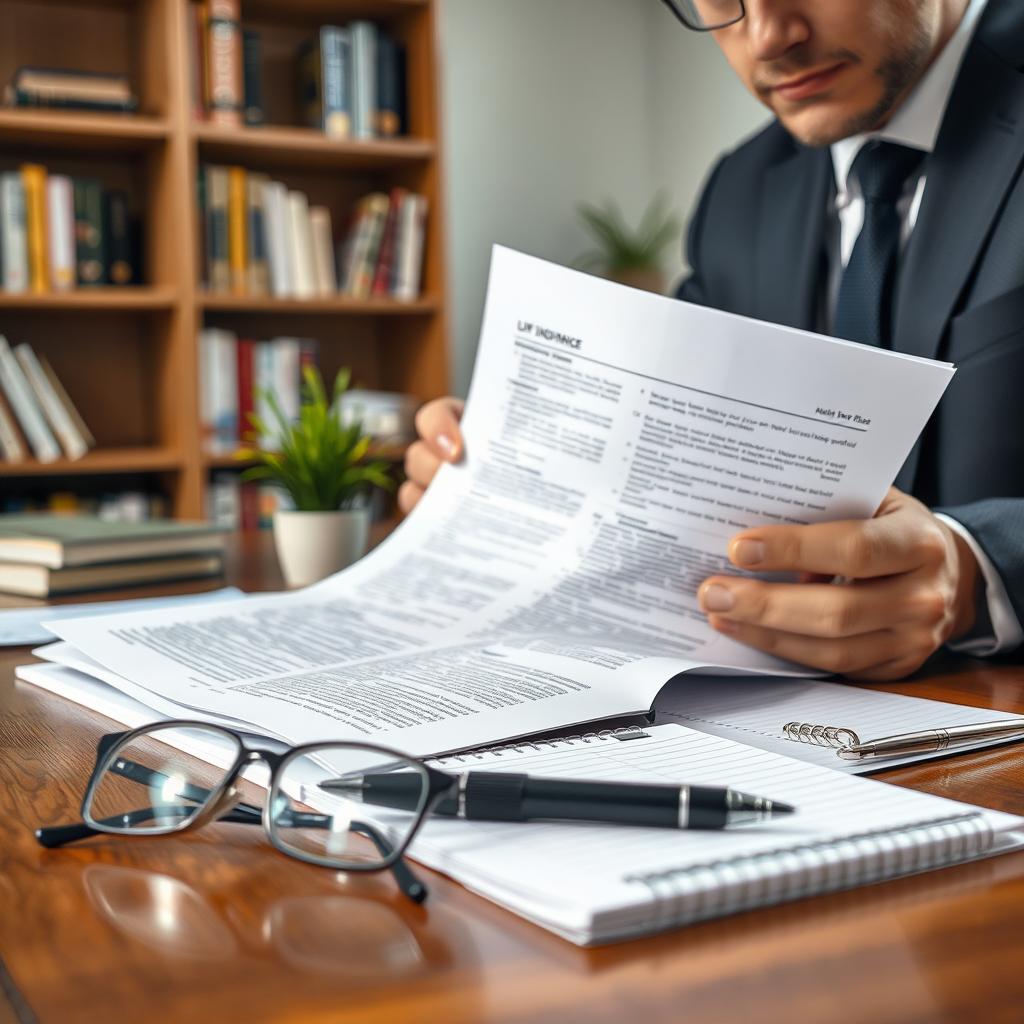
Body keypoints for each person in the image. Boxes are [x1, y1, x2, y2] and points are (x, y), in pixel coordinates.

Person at [400, 0, 1024, 680]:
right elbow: (666, 438)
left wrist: (978, 570)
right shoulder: (742, 188)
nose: (766, 38)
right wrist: (507, 472)